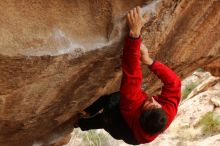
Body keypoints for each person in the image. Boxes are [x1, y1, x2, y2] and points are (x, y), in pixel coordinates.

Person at [75, 6, 181, 145]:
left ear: (140, 115)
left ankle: (83, 119)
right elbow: (174, 83)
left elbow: (132, 72)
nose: (153, 101)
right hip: (138, 133)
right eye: (156, 105)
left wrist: (135, 34)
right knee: (108, 111)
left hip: (125, 131)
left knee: (109, 110)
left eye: (149, 105)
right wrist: (150, 61)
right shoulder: (168, 112)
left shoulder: (130, 106)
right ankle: (85, 117)